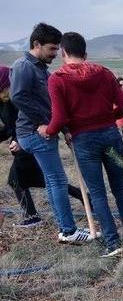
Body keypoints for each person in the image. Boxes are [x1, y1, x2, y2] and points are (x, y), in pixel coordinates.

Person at [39, 32, 123, 257]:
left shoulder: (57, 79)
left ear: (63, 53)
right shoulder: (104, 72)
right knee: (119, 188)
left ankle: (113, 242)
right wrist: (106, 117)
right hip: (111, 134)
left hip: (84, 140)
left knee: (98, 193)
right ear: (85, 53)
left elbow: (60, 117)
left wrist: (49, 131)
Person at [10, 22, 95, 244]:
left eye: (58, 49)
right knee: (57, 180)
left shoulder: (40, 68)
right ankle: (68, 231)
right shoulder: (23, 66)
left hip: (42, 131)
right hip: (35, 133)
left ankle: (64, 229)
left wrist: (65, 128)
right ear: (36, 44)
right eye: (51, 49)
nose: (55, 53)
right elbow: (18, 96)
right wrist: (42, 123)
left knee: (52, 181)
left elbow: (52, 105)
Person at [1, 64, 85, 227]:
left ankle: (32, 217)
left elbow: (29, 119)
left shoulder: (17, 99)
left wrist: (17, 139)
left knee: (17, 180)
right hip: (23, 142)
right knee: (44, 178)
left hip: (31, 138)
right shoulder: (3, 102)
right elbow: (10, 127)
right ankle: (81, 195)